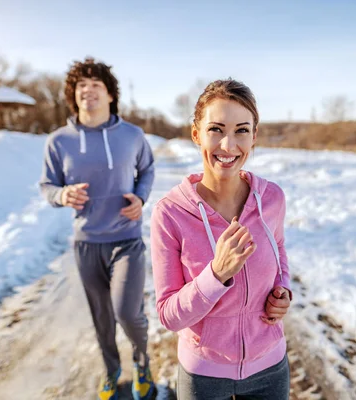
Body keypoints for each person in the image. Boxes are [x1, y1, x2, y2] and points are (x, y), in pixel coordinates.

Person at [150, 79, 292, 399]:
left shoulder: (271, 198)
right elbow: (169, 315)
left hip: (270, 367)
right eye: (216, 129)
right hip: (203, 375)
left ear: (254, 136)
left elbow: (279, 248)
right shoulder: (170, 213)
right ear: (196, 134)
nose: (229, 146)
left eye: (242, 130)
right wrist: (216, 275)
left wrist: (283, 288)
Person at [39, 57, 156, 400]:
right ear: (73, 96)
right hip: (87, 243)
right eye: (81, 86)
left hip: (127, 239)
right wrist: (63, 195)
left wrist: (141, 197)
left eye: (96, 85)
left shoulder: (132, 135)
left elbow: (147, 170)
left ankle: (143, 362)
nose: (87, 91)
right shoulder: (58, 141)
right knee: (101, 317)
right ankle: (111, 370)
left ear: (110, 95)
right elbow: (47, 186)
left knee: (127, 313)